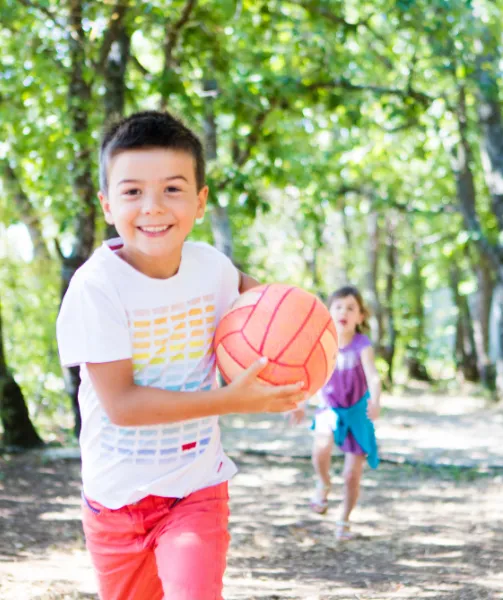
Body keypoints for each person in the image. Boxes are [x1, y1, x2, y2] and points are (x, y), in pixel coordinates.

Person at [56, 110, 305, 600]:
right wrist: (234, 400)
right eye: (132, 192)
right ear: (107, 204)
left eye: (172, 189)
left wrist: (294, 378)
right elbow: (123, 406)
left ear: (199, 201)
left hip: (195, 488)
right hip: (116, 502)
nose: (152, 207)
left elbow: (279, 318)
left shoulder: (212, 267)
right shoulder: (97, 288)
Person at [290, 285, 381, 540]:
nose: (344, 312)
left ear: (360, 317)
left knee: (352, 474)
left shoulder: (362, 345)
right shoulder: (322, 344)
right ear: (329, 312)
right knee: (321, 446)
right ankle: (323, 482)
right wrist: (300, 403)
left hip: (357, 412)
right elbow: (309, 377)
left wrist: (376, 400)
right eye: (339, 306)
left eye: (351, 308)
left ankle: (344, 521)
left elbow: (373, 377)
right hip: (329, 408)